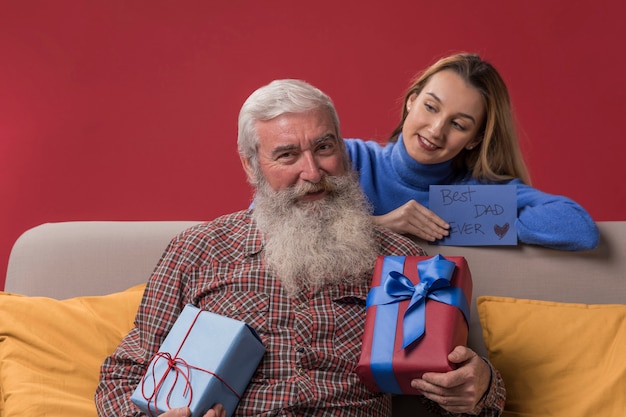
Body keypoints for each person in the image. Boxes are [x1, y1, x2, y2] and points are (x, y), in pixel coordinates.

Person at [94, 79, 506, 417]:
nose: (313, 172)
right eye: (287, 155)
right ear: (250, 165)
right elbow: (121, 378)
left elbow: (462, 388)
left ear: (342, 149)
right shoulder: (196, 251)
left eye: (324, 148)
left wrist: (480, 385)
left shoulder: (407, 263)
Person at [344, 53, 599, 251]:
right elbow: (303, 226)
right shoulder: (350, 158)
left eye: (458, 125)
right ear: (412, 101)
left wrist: (465, 218)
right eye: (431, 107)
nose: (436, 130)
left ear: (474, 139)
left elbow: (579, 228)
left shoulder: (475, 193)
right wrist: (379, 225)